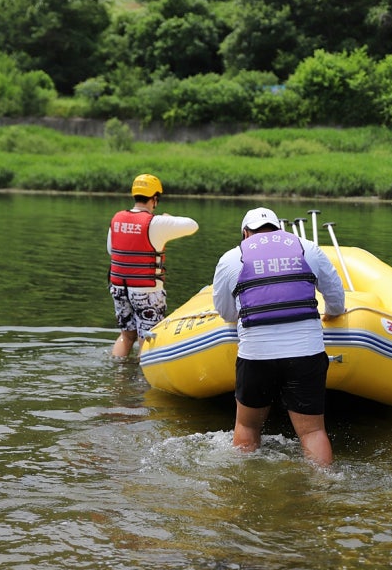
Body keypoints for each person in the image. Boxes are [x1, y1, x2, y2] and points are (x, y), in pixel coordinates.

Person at [211, 207, 346, 467]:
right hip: (306, 353)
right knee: (312, 432)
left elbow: (226, 312)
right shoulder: (308, 248)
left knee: (247, 427)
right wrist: (331, 313)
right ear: (278, 229)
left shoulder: (231, 258)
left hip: (256, 354)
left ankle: (244, 485)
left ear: (245, 233)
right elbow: (336, 299)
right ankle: (325, 487)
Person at [107, 173, 198, 358]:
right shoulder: (155, 223)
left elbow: (111, 249)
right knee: (147, 338)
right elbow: (192, 225)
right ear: (155, 198)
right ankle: (142, 383)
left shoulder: (117, 219)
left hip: (118, 287)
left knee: (126, 335)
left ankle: (118, 376)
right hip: (146, 292)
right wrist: (169, 218)